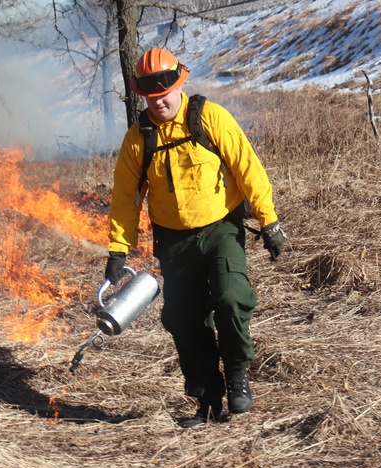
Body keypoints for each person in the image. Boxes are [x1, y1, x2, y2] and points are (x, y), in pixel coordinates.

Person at [105, 47, 286, 427]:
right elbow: (125, 198)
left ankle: (237, 372)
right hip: (174, 241)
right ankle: (207, 402)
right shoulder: (139, 140)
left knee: (231, 297)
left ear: (179, 84)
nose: (158, 103)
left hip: (221, 228)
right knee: (183, 318)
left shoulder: (210, 118)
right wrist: (119, 250)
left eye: (164, 94)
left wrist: (269, 222)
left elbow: (248, 168)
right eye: (150, 97)